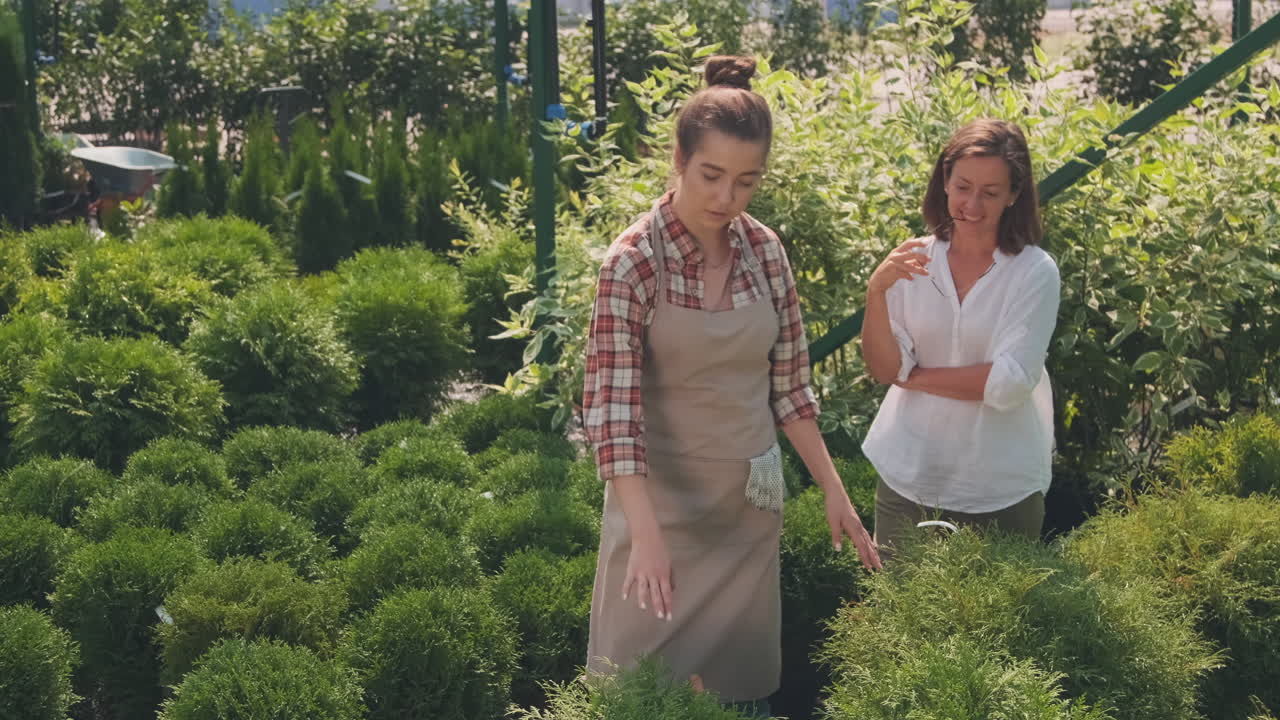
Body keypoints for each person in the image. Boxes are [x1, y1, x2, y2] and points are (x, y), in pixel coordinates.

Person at [582, 55, 881, 716]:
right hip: (654, 514)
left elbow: (791, 392)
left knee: (741, 695)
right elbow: (611, 418)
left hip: (746, 516)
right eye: (711, 176)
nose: (726, 199)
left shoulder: (766, 252)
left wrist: (836, 492)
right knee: (640, 694)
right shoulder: (632, 264)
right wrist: (648, 535)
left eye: (746, 182)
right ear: (679, 159)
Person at [860, 118, 1061, 557]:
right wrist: (876, 292)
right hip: (906, 479)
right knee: (897, 622)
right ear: (944, 181)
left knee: (997, 625)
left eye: (991, 193)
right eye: (963, 186)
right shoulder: (910, 262)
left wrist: (914, 378)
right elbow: (883, 369)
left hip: (1000, 491)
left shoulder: (1035, 273)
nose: (972, 204)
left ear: (1014, 196)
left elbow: (1009, 385)